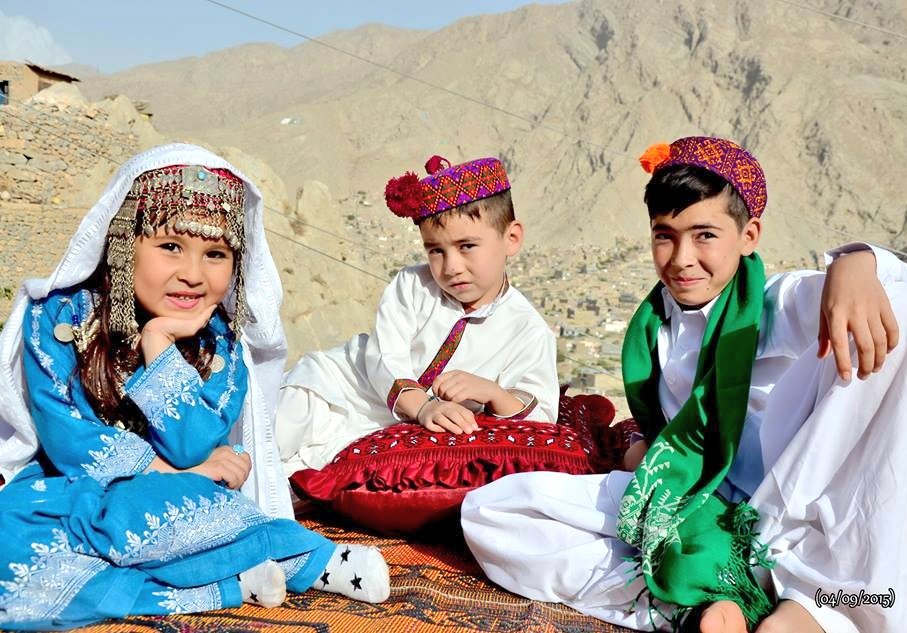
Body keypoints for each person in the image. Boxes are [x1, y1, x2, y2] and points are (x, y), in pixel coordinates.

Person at [461, 136, 907, 633]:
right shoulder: (652, 330)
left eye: (705, 235)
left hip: (794, 514)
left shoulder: (770, 304)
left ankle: (801, 606)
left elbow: (855, 295)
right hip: (695, 504)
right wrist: (643, 448)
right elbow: (669, 440)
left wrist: (857, 263)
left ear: (749, 235)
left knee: (898, 320)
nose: (681, 258)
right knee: (492, 512)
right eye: (665, 235)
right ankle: (714, 598)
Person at [0, 144, 389, 630]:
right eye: (170, 247)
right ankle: (233, 582)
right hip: (69, 492)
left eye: (215, 254)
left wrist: (158, 343)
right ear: (124, 245)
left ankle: (309, 562)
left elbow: (194, 447)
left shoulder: (219, 344)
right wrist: (169, 472)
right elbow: (68, 439)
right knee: (15, 541)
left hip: (177, 499)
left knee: (167, 505)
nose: (192, 274)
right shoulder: (57, 317)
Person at [278, 155, 559, 475]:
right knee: (285, 424)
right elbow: (385, 355)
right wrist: (423, 406)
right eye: (436, 250)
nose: (451, 266)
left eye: (466, 246)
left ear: (511, 238)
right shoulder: (412, 285)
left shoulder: (528, 330)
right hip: (349, 390)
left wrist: (493, 393)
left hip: (398, 430)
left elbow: (541, 416)